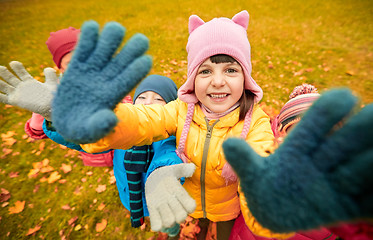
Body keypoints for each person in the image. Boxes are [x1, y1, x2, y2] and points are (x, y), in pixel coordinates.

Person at [51, 11, 298, 240]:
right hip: (191, 202)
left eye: (231, 69)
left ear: (245, 77)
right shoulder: (179, 110)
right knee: (198, 231)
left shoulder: (255, 123)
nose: (218, 81)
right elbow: (143, 120)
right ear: (192, 78)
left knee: (224, 233)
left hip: (227, 206)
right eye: (205, 71)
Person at [24, 27, 132, 167]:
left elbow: (128, 106)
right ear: (60, 68)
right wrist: (40, 114)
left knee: (124, 165)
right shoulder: (57, 92)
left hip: (122, 144)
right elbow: (40, 130)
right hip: (95, 154)